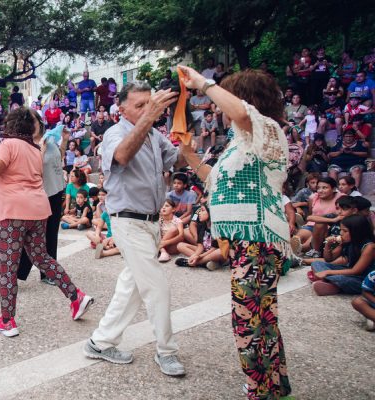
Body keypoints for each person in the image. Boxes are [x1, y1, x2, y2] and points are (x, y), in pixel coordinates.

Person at [178, 65, 292, 398]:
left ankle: (261, 391)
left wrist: (202, 83)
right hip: (246, 239)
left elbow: (241, 112)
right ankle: (276, 387)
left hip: (257, 238)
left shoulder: (268, 130)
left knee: (249, 322)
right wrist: (187, 151)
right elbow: (213, 180)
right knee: (262, 318)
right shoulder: (239, 144)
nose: (219, 111)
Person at [84, 80, 184, 376]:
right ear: (121, 109)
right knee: (157, 287)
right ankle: (167, 351)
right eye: (139, 105)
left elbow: (175, 157)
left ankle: (100, 343)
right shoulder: (114, 134)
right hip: (127, 221)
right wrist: (150, 116)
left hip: (151, 222)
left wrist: (187, 141)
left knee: (131, 287)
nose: (146, 110)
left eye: (149, 103)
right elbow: (123, 156)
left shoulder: (154, 134)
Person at [0, 107, 94, 337]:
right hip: (38, 209)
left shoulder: (8, 145)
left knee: (7, 268)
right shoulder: (33, 148)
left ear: (11, 124)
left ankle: (7, 321)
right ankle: (76, 296)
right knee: (42, 257)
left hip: (12, 213)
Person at [310, 215, 375, 296]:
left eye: (345, 231)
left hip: (364, 278)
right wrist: (327, 245)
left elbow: (356, 271)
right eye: (341, 230)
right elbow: (328, 259)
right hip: (349, 271)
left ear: (356, 231)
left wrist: (328, 272)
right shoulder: (347, 241)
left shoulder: (369, 247)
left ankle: (331, 284)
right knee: (316, 263)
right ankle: (330, 283)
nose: (341, 233)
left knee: (343, 280)